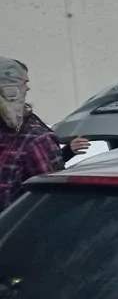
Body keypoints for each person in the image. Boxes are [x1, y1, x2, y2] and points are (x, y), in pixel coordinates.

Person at [0, 58, 75, 210]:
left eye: (25, 83)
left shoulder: (34, 138)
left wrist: (67, 152)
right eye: (24, 83)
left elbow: (52, 201)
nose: (27, 89)